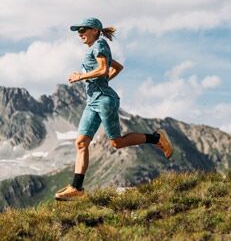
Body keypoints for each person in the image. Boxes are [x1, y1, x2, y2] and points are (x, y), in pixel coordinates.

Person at [55, 17, 174, 201]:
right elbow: (117, 67)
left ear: (95, 30)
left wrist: (81, 77)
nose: (80, 33)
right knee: (80, 143)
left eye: (83, 30)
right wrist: (103, 81)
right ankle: (76, 188)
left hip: (104, 100)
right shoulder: (95, 48)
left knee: (117, 142)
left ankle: (157, 138)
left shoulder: (100, 45)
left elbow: (103, 69)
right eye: (78, 31)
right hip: (93, 102)